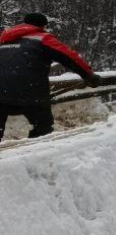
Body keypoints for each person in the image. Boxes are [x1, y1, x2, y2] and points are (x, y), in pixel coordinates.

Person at [0, 12, 100, 140]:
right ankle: (36, 151)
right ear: (42, 26)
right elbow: (70, 56)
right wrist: (89, 76)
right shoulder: (43, 38)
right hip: (30, 91)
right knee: (43, 125)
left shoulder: (4, 39)